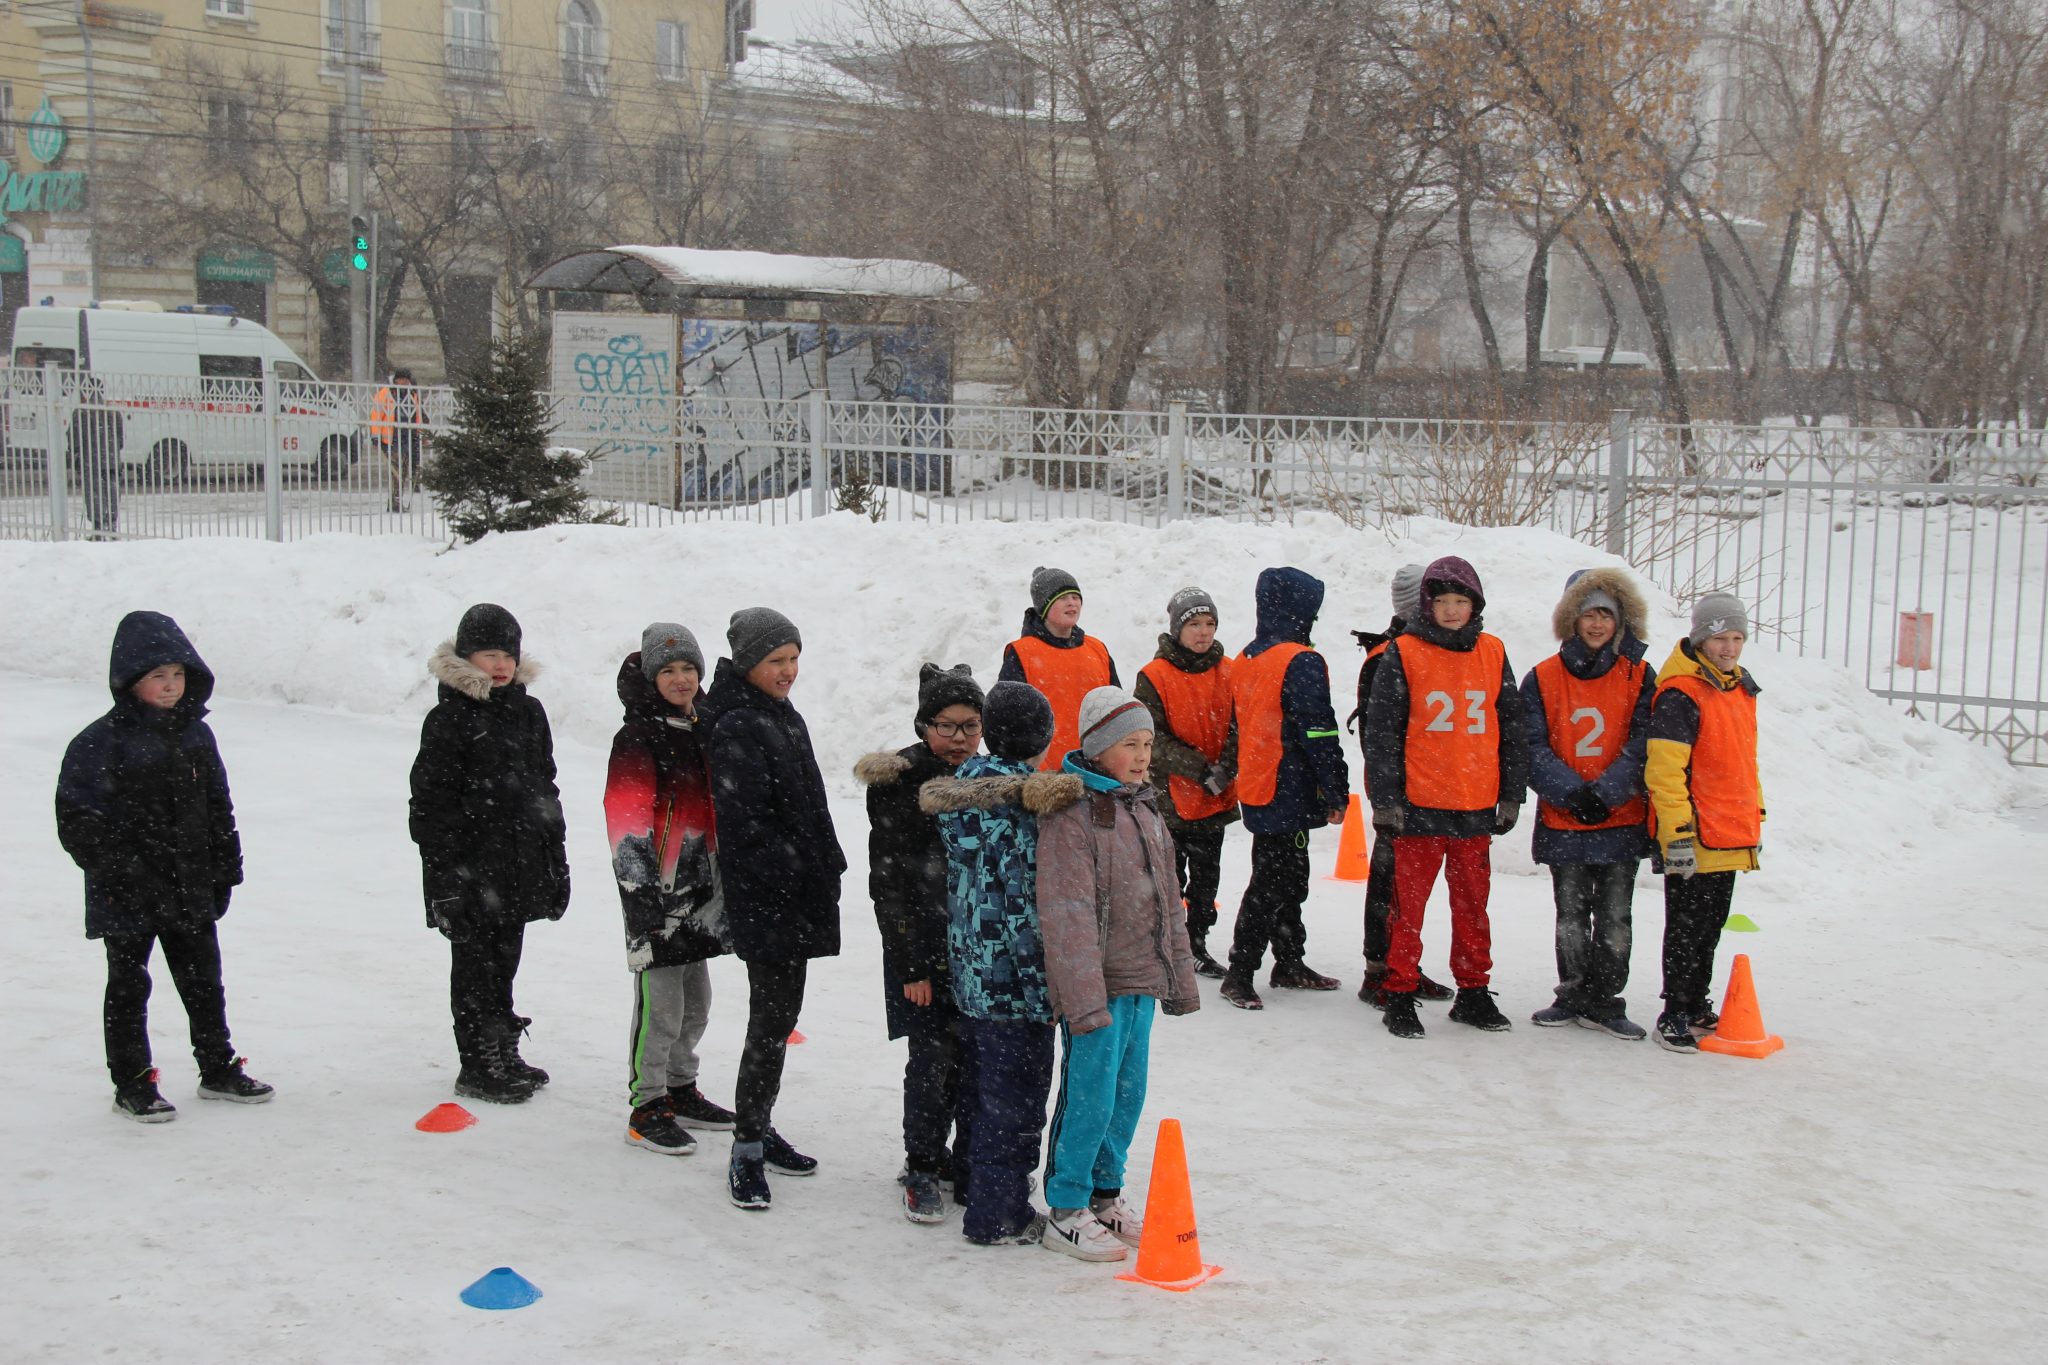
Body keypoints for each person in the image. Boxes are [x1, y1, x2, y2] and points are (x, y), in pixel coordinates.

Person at [56, 611, 274, 1122]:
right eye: (158, 676)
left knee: (204, 979)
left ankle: (217, 1066)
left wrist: (226, 868)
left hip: (189, 884)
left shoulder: (196, 736)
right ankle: (132, 1080)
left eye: (178, 675)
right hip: (126, 892)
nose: (171, 685)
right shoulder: (100, 741)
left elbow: (219, 806)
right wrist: (123, 872)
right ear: (132, 681)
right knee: (130, 986)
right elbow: (78, 820)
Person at [1036, 687, 1201, 1262]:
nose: (1141, 755)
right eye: (1128, 744)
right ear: (1099, 747)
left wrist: (1177, 972)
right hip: (1097, 986)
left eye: (1147, 744)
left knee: (1127, 1094)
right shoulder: (1072, 814)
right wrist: (1081, 997)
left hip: (1140, 978)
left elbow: (1167, 898)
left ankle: (1106, 1194)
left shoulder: (1145, 808)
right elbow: (1066, 912)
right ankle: (1066, 1206)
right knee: (1089, 1094)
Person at [921, 682, 1081, 1247]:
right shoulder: (1024, 810)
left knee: (984, 1091)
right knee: (1016, 1103)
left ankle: (976, 1185)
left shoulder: (964, 790)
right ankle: (998, 1212)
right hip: (1016, 985)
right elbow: (1019, 908)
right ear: (1042, 741)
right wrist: (1046, 981)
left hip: (972, 975)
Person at [699, 608, 846, 1210]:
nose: (788, 672)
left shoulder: (778, 714)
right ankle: (747, 1146)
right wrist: (803, 868)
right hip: (770, 899)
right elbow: (746, 827)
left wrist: (829, 862)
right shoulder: (737, 724)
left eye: (793, 660)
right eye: (775, 662)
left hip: (798, 893)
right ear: (747, 664)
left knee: (779, 1022)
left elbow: (809, 799)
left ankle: (761, 1125)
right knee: (769, 1024)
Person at [409, 603, 569, 1103]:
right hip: (470, 870)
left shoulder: (528, 712)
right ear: (466, 658)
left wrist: (554, 857)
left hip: (518, 864)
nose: (500, 665)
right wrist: (445, 878)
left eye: (508, 655)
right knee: (475, 966)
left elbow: (545, 787)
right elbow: (430, 807)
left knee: (505, 960)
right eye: (488, 654)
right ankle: (477, 1061)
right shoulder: (449, 719)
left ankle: (503, 1048)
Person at [1364, 556, 1529, 1040]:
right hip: (1419, 805)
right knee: (1408, 909)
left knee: (1473, 907)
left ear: (1475, 605)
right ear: (1427, 605)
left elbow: (1513, 728)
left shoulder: (1494, 651)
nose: (1453, 611)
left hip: (1475, 804)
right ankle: (1399, 992)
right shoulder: (1405, 651)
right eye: (1443, 602)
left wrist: (1511, 794)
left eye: (1462, 602)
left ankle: (1474, 991)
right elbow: (1383, 735)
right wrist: (1387, 800)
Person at [855, 662, 986, 1224]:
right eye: (946, 725)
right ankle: (922, 1167)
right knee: (931, 1059)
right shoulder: (900, 780)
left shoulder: (983, 777)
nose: (958, 738)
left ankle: (959, 1158)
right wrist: (911, 965)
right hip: (919, 947)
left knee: (970, 1060)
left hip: (971, 946)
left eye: (970, 726)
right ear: (922, 724)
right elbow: (888, 885)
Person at [604, 623, 738, 1158]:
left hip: (701, 888)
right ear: (650, 678)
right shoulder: (637, 737)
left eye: (688, 669)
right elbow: (626, 819)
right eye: (668, 670)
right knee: (659, 1006)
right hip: (657, 891)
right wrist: (639, 893)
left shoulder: (702, 728)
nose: (681, 679)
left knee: (697, 1002)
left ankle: (682, 1087)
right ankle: (648, 1103)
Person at [1520, 570, 1658, 1040]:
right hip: (1566, 818)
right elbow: (1530, 745)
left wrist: (1607, 792)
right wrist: (1572, 792)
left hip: (1619, 817)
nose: (1596, 624)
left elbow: (1645, 742)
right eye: (1588, 614)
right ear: (1571, 619)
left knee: (1616, 914)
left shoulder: (1639, 674)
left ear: (1620, 620)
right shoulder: (1541, 677)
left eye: (1605, 614)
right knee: (1571, 915)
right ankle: (1573, 993)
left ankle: (1606, 999)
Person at [1219, 566, 1350, 1010]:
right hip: (1289, 786)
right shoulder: (1301, 660)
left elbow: (1241, 724)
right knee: (1274, 882)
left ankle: (1289, 960)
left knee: (1287, 877)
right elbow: (1318, 732)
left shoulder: (1247, 658)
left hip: (1259, 783)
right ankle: (1240, 972)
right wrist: (1336, 789)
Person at [1646, 592, 1765, 1053]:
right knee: (1685, 927)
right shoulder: (1681, 695)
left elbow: (1742, 762)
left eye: (1737, 638)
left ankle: (1696, 1002)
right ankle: (1673, 1010)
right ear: (1701, 638)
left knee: (1711, 925)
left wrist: (1755, 813)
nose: (1729, 647)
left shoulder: (1738, 689)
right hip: (1694, 836)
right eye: (1719, 638)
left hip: (1730, 831)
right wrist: (1676, 835)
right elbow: (1664, 773)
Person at [1350, 563, 1454, 1008]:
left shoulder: (1421, 650)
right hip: (1401, 790)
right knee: (1391, 879)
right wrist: (1394, 792)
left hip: (1427, 786)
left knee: (1408, 886)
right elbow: (1382, 739)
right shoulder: (1390, 656)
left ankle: (1401, 965)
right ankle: (1380, 970)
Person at [1134, 586, 1238, 978]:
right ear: (1178, 628)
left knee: (1207, 879)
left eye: (1209, 623)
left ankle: (1196, 943)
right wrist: (1198, 769)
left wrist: (1226, 768)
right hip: (1171, 798)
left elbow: (1239, 724)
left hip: (1217, 795)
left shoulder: (1229, 670)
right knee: (1168, 877)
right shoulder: (1154, 675)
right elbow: (1150, 736)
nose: (1203, 632)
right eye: (1194, 623)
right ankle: (1164, 943)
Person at [998, 566, 1119, 772]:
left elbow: (1117, 709)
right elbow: (1008, 721)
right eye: (1062, 597)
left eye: (1076, 596)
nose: (1072, 602)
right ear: (1044, 606)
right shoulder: (1022, 653)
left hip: (1097, 770)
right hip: (1043, 776)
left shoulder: (1097, 649)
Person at [66, 375, 124, 539]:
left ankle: (99, 527)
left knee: (94, 493)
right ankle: (111, 524)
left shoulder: (81, 412)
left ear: (85, 392)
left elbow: (74, 439)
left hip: (91, 460)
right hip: (112, 461)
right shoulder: (113, 412)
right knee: (112, 491)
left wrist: (76, 454)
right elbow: (120, 440)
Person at [370, 367, 425, 513]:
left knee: (404, 472)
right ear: (396, 380)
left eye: (406, 380)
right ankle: (395, 502)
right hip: (392, 439)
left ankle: (396, 501)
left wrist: (420, 433)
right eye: (401, 379)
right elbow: (376, 415)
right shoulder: (385, 394)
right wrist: (375, 436)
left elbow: (417, 415)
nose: (404, 382)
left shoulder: (412, 395)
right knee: (397, 472)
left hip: (408, 437)